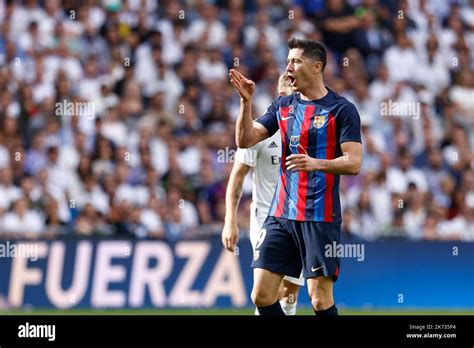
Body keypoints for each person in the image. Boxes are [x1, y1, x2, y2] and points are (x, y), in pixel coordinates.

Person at [229, 37, 362, 315]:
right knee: (262, 295)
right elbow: (245, 140)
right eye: (287, 60)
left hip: (318, 217)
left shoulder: (342, 109)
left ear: (317, 66)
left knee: (319, 300)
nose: (288, 66)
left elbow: (354, 163)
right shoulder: (283, 106)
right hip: (281, 215)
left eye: (295, 60)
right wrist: (246, 101)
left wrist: (315, 163)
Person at [222, 73, 304, 316]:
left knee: (289, 293)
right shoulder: (259, 130)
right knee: (265, 293)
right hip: (265, 219)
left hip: (299, 219)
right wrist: (230, 221)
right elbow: (237, 177)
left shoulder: (311, 132)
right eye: (294, 97)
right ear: (281, 97)